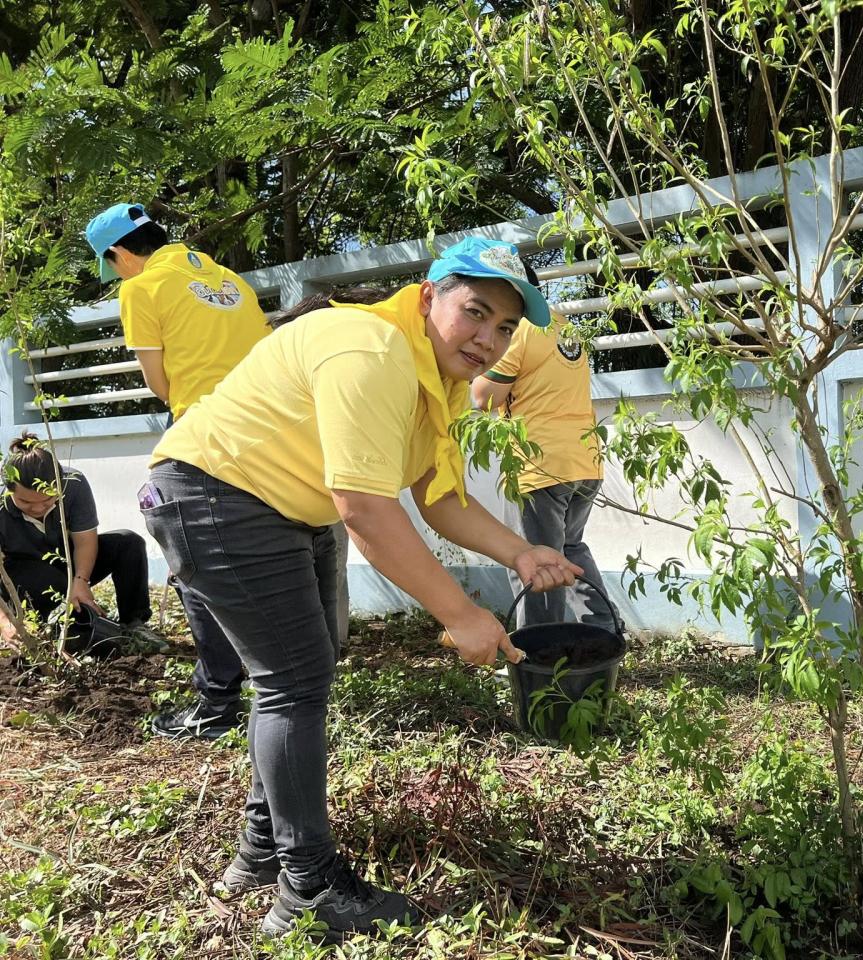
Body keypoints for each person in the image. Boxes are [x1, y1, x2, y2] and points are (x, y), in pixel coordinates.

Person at [140, 237, 581, 940]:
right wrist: (462, 614)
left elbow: (438, 498)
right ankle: (308, 890)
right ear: (430, 295)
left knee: (299, 674)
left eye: (505, 328)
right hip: (215, 497)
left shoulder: (431, 380)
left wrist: (520, 552)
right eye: (477, 312)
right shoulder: (371, 350)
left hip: (280, 507)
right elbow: (368, 510)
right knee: (296, 679)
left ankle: (263, 851)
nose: (488, 339)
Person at [84, 202, 268, 739]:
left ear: (120, 252)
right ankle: (281, 688)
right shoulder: (230, 279)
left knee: (193, 567)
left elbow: (162, 385)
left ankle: (216, 704)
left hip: (207, 438)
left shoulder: (141, 289)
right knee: (265, 563)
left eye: (110, 263)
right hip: (269, 429)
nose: (115, 273)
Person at [472, 306, 621, 632]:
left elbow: (482, 396)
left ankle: (538, 651)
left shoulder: (518, 330)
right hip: (585, 460)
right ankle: (606, 628)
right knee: (569, 548)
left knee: (534, 559)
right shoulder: (566, 328)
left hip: (540, 464)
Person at [0, 433, 157, 651]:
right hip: (25, 571)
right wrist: (4, 622)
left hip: (66, 558)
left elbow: (85, 541)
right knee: (63, 598)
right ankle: (66, 626)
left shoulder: (74, 484)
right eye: (25, 501)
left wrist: (81, 580)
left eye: (47, 500)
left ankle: (134, 623)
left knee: (128, 543)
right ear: (9, 490)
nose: (37, 508)